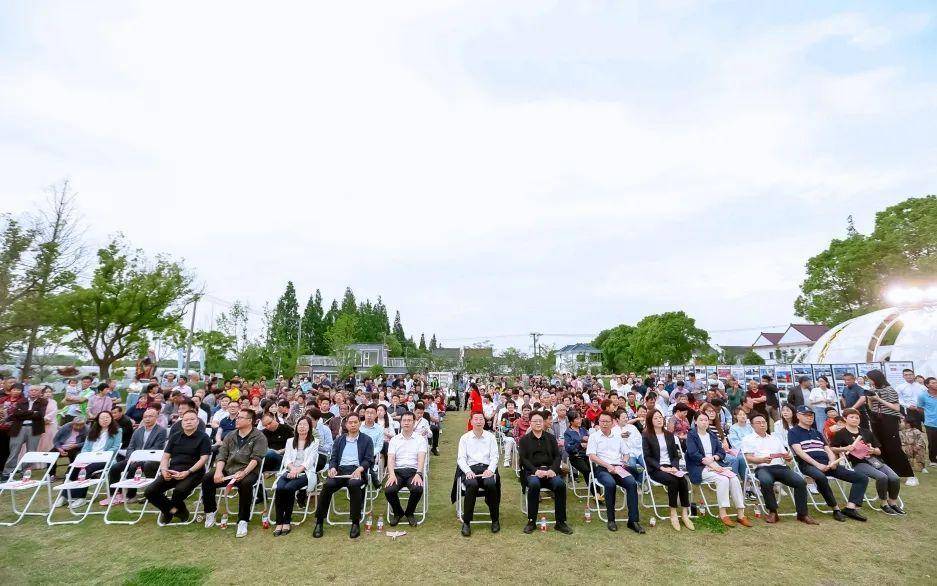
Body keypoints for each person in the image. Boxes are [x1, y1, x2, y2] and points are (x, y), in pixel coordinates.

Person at [788, 406, 868, 522]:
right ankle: (835, 509)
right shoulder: (793, 432)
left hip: (828, 463)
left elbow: (828, 449)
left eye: (811, 415)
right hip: (808, 465)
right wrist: (817, 465)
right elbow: (799, 452)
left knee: (861, 478)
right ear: (798, 416)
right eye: (806, 415)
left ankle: (850, 508)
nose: (809, 417)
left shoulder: (817, 433)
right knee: (821, 477)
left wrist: (831, 460)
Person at [202, 409, 268, 538]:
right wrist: (218, 472)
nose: (237, 419)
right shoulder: (230, 435)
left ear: (250, 421)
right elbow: (222, 455)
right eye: (237, 417)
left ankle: (243, 520)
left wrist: (244, 472)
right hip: (229, 468)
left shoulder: (259, 437)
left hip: (249, 470)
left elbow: (256, 458)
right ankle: (210, 511)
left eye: (241, 417)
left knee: (245, 484)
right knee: (207, 478)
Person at [741, 413, 816, 525]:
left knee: (800, 482)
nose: (762, 424)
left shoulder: (774, 438)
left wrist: (788, 456)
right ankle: (772, 511)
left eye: (764, 422)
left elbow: (787, 455)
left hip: (780, 467)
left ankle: (802, 514)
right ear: (752, 425)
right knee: (766, 481)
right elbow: (748, 457)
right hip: (763, 467)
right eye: (758, 422)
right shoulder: (748, 439)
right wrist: (761, 460)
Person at [312, 412, 374, 539]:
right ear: (346, 424)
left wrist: (360, 469)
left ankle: (355, 522)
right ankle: (319, 521)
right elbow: (333, 458)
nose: (352, 425)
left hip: (357, 470)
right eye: (350, 422)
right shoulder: (340, 440)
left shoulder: (366, 440)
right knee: (327, 485)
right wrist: (332, 468)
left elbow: (368, 459)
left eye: (355, 422)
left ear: (359, 423)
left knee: (354, 484)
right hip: (340, 470)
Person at [831, 408, 904, 515]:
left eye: (857, 417)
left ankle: (892, 503)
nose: (855, 419)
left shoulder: (866, 432)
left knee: (894, 477)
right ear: (845, 419)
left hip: (874, 460)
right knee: (882, 477)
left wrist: (873, 450)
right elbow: (832, 448)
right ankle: (884, 504)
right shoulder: (841, 433)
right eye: (851, 417)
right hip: (858, 463)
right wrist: (845, 448)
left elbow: (879, 451)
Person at [686, 412, 752, 527]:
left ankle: (741, 513)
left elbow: (721, 452)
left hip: (716, 464)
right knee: (723, 480)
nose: (704, 422)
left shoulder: (711, 435)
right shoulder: (692, 435)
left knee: (734, 479)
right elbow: (693, 454)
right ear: (695, 422)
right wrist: (710, 463)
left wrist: (714, 458)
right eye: (701, 420)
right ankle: (723, 513)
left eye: (706, 420)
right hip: (699, 467)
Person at [146, 410, 211, 523]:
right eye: (186, 420)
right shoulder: (175, 437)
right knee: (150, 492)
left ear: (197, 421)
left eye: (192, 419)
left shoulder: (203, 437)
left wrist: (188, 472)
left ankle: (171, 511)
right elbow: (165, 457)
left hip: (194, 472)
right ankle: (172, 511)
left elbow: (203, 459)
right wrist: (164, 470)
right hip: (173, 471)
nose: (188, 422)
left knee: (179, 491)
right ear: (182, 422)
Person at [517, 411, 572, 534]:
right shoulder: (524, 440)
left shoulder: (551, 438)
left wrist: (553, 470)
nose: (538, 423)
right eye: (535, 421)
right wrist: (535, 471)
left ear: (543, 423)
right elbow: (524, 460)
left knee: (560, 485)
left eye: (540, 421)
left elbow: (557, 457)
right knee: (534, 484)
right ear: (530, 423)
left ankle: (560, 522)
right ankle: (531, 521)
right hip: (532, 472)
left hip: (549, 471)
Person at [588, 412, 643, 533]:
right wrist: (607, 466)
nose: (604, 424)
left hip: (618, 467)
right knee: (610, 484)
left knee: (632, 483)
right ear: (599, 422)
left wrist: (624, 462)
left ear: (612, 422)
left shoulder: (618, 436)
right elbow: (592, 456)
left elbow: (626, 453)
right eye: (602, 421)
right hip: (603, 468)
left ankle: (633, 521)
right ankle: (611, 519)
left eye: (607, 421)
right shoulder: (594, 437)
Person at [102, 406, 167, 505]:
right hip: (134, 458)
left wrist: (139, 457)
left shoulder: (161, 431)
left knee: (133, 467)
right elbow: (130, 447)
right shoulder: (138, 431)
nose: (147, 419)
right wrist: (130, 458)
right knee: (115, 467)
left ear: (156, 417)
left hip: (151, 459)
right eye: (145, 417)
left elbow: (157, 448)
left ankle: (131, 495)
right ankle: (116, 494)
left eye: (150, 416)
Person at [59, 410, 122, 509]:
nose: (104, 420)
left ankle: (81, 497)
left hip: (105, 459)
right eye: (102, 418)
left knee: (86, 469)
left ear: (111, 419)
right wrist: (86, 456)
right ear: (98, 420)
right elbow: (86, 447)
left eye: (107, 418)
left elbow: (115, 447)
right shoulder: (92, 431)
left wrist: (102, 455)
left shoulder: (117, 431)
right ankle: (65, 496)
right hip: (89, 458)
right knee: (73, 468)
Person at [642, 409, 693, 531]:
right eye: (656, 418)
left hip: (671, 466)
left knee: (683, 480)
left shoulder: (669, 435)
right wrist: (661, 468)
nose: (659, 420)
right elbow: (647, 457)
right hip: (656, 468)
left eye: (660, 417)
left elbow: (675, 456)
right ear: (650, 421)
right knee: (673, 481)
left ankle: (685, 513)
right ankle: (673, 513)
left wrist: (674, 467)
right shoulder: (647, 435)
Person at [864, 369, 915, 486]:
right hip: (876, 419)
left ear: (876, 378)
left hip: (889, 419)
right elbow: (872, 408)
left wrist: (878, 399)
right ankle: (888, 473)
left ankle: (909, 475)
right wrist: (871, 400)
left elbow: (896, 408)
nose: (869, 381)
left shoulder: (890, 390)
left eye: (870, 378)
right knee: (881, 447)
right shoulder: (873, 390)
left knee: (893, 447)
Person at [455, 412, 501, 536]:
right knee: (472, 485)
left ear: (484, 422)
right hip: (471, 469)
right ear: (471, 422)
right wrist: (468, 471)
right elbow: (461, 458)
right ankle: (467, 522)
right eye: (476, 419)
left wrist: (490, 470)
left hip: (487, 469)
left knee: (491, 484)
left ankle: (495, 519)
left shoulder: (490, 437)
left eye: (481, 419)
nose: (479, 421)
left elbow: (495, 456)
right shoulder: (465, 438)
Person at [272, 416, 318, 535]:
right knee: (280, 488)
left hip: (305, 473)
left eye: (305, 425)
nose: (302, 427)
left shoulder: (314, 442)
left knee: (289, 488)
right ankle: (279, 522)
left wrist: (298, 470)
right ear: (296, 426)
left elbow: (310, 460)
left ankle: (287, 520)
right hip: (289, 470)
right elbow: (286, 458)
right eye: (300, 424)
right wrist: (292, 469)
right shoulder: (290, 441)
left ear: (310, 428)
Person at [384, 412, 428, 527]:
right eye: (404, 420)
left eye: (409, 420)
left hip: (414, 471)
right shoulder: (394, 439)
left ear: (414, 422)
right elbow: (391, 459)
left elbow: (421, 458)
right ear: (401, 422)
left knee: (417, 488)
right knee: (389, 490)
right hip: (397, 472)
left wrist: (419, 473)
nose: (407, 423)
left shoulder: (420, 439)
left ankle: (409, 512)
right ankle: (398, 512)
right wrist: (392, 474)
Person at [2, 384, 47, 480]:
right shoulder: (21, 400)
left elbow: (39, 415)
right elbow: (17, 414)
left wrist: (24, 413)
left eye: (36, 390)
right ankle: (8, 473)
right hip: (19, 428)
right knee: (14, 451)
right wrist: (32, 412)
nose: (33, 392)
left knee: (31, 451)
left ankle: (25, 471)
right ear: (28, 392)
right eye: (31, 390)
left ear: (39, 392)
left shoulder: (43, 401)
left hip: (34, 429)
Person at [917, 377, 937, 467]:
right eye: (933, 383)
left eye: (936, 382)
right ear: (927, 385)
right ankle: (933, 460)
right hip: (931, 423)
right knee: (933, 442)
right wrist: (929, 414)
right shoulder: (922, 395)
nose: (936, 384)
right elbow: (920, 408)